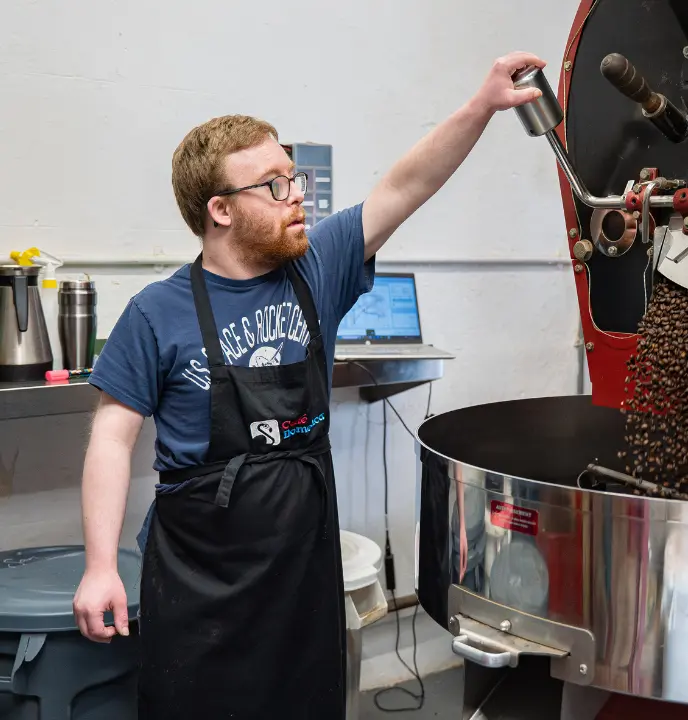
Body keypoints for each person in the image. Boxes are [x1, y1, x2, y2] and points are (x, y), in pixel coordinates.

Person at [71, 51, 547, 719]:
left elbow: (407, 184)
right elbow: (111, 439)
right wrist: (99, 566)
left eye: (292, 176)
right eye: (273, 185)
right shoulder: (156, 313)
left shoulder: (316, 268)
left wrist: (482, 105)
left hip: (304, 583)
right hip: (199, 591)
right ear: (220, 210)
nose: (296, 194)